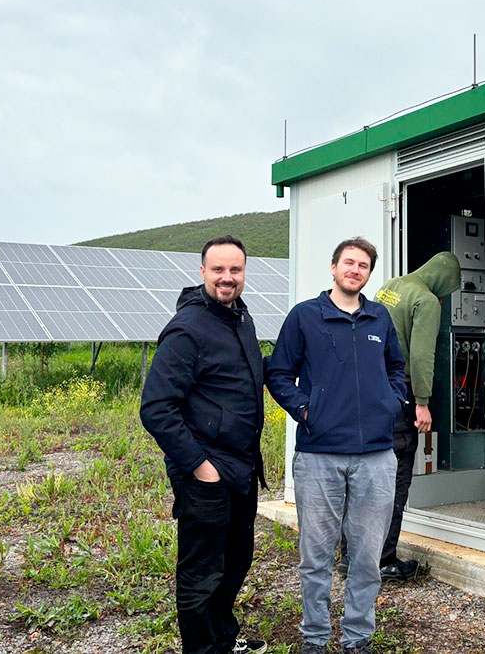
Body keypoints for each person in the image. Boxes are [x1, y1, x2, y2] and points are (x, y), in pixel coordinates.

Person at [266, 237, 406, 654]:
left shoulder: (380, 318)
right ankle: (314, 638)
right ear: (333, 267)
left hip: (376, 458)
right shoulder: (305, 317)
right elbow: (278, 374)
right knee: (317, 556)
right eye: (349, 262)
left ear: (368, 273)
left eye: (363, 265)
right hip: (319, 457)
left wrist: (391, 403)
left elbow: (396, 367)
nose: (355, 270)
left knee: (366, 556)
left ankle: (358, 638)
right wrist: (308, 412)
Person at [140, 236, 268, 654]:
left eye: (235, 270)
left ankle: (223, 641)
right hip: (207, 475)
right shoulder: (187, 330)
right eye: (218, 270)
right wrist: (200, 465)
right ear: (202, 273)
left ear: (244, 273)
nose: (227, 278)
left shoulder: (240, 318)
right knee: (201, 573)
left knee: (235, 562)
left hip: (241, 469)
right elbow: (157, 407)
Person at [369, 251, 461, 580]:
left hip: (370, 393)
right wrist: (422, 402)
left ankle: (352, 554)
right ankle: (384, 561)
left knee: (366, 477)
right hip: (399, 395)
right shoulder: (426, 300)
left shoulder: (391, 286)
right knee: (395, 477)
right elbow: (422, 356)